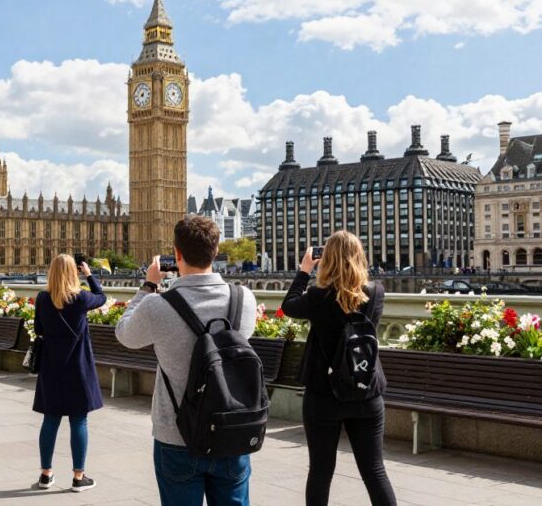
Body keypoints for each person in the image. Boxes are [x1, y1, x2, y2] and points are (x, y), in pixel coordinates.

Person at [116, 216, 257, 505]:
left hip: (177, 436)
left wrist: (148, 286)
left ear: (176, 254)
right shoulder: (244, 299)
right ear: (216, 251)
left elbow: (125, 334)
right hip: (232, 431)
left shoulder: (158, 305)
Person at [281, 231, 397, 506]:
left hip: (324, 394)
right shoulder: (375, 293)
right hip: (365, 390)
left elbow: (288, 306)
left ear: (327, 259)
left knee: (321, 472)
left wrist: (304, 271)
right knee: (374, 470)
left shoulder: (317, 296)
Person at [32, 254, 106, 493]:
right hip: (77, 368)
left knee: (50, 420)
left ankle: (46, 474)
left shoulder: (43, 299)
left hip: (51, 367)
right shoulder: (81, 298)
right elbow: (102, 297)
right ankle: (78, 477)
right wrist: (90, 274)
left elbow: (39, 329)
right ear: (74, 272)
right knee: (79, 420)